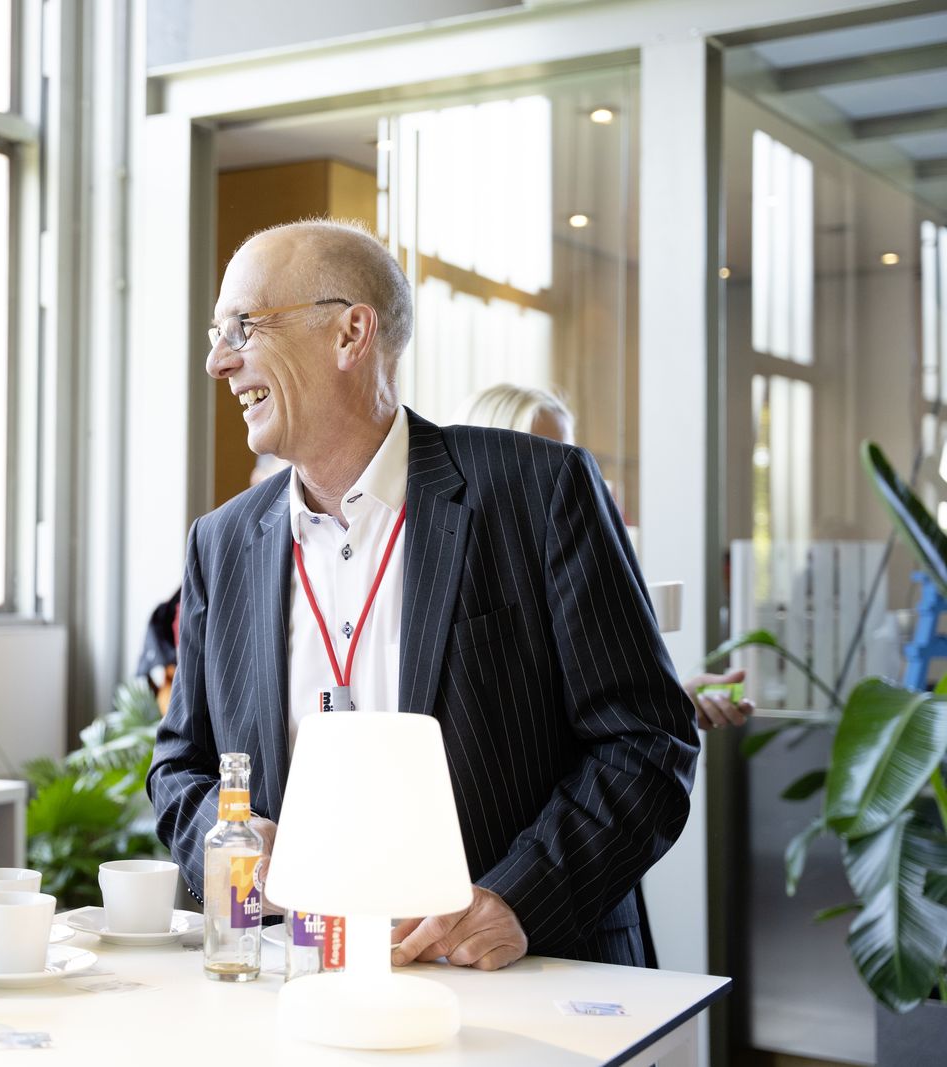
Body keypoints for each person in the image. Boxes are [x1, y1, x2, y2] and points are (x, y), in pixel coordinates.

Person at [148, 219, 699, 971]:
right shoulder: (221, 542)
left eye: (242, 326)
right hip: (301, 977)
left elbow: (647, 740)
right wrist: (227, 834)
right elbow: (179, 763)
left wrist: (519, 897)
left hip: (525, 978)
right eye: (218, 335)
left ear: (350, 334)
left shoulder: (539, 492)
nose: (219, 361)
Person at [452, 382, 757, 733]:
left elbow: (593, 702)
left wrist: (676, 702)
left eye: (566, 457)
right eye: (541, 458)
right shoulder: (446, 579)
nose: (562, 478)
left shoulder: (576, 565)